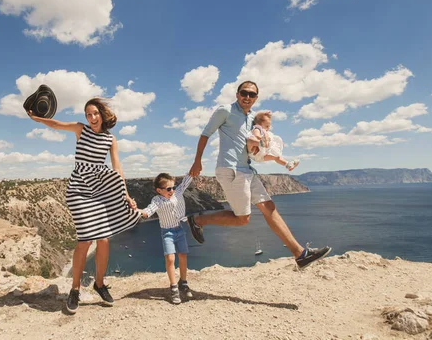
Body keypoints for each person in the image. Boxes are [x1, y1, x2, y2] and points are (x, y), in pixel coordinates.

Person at [187, 80, 331, 269]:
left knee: (269, 207)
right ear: (237, 94)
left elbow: (251, 144)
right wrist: (197, 161)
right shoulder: (225, 111)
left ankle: (300, 254)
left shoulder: (253, 119)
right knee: (242, 219)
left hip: (247, 170)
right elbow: (205, 134)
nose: (247, 97)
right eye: (244, 93)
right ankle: (197, 220)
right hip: (231, 170)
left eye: (252, 94)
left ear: (256, 98)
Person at [28, 98, 141, 314]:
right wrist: (37, 118)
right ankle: (75, 289)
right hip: (79, 188)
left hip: (100, 188)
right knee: (85, 239)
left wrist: (125, 194)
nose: (92, 118)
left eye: (95, 113)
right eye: (88, 114)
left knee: (104, 239)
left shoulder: (110, 139)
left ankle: (99, 284)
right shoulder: (81, 130)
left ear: (102, 114)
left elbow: (117, 166)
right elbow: (56, 124)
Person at [137, 173, 194, 304]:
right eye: (168, 189)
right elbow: (148, 211)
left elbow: (187, 179)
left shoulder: (177, 192)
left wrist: (197, 163)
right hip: (167, 232)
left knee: (183, 255)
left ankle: (183, 283)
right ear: (159, 190)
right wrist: (137, 210)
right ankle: (174, 288)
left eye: (173, 187)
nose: (172, 190)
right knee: (170, 258)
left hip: (179, 229)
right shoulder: (157, 200)